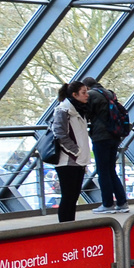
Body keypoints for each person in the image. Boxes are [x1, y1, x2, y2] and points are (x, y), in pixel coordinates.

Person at [82, 76, 129, 214]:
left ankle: (107, 204)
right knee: (111, 170)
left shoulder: (92, 95)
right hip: (114, 134)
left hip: (101, 136)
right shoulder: (108, 93)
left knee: (103, 171)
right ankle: (122, 202)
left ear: (88, 88)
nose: (85, 95)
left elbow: (87, 113)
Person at [51, 81, 91, 222]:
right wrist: (76, 151)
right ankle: (65, 226)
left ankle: (70, 225)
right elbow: (60, 134)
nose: (87, 95)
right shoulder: (63, 111)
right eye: (83, 92)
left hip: (77, 160)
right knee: (68, 196)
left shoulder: (80, 110)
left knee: (73, 196)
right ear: (74, 95)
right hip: (67, 161)